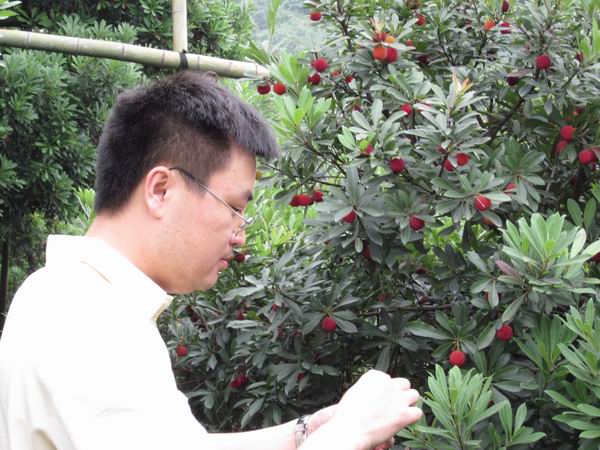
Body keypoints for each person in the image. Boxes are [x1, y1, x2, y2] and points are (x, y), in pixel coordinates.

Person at [0, 71, 422, 450]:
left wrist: (307, 431)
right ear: (161, 190)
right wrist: (349, 433)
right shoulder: (90, 321)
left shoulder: (64, 293)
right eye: (234, 207)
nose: (241, 234)